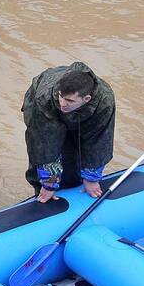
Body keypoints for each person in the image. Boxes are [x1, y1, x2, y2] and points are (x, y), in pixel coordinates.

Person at [22, 62, 115, 203]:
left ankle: (77, 188)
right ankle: (43, 194)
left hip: (86, 114)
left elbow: (99, 141)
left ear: (86, 99)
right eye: (61, 96)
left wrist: (91, 177)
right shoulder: (45, 98)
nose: (62, 103)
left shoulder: (104, 102)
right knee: (44, 156)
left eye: (69, 100)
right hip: (45, 109)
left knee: (75, 157)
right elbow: (45, 145)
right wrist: (49, 183)